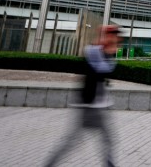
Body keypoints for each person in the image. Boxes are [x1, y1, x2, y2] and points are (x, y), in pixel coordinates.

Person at [46, 25, 122, 167]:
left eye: (116, 35)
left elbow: (107, 71)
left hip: (98, 105)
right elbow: (102, 69)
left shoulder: (105, 51)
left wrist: (109, 51)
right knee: (75, 142)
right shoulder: (94, 51)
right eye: (113, 35)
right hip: (89, 106)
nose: (116, 38)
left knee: (105, 140)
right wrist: (106, 49)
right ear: (105, 36)